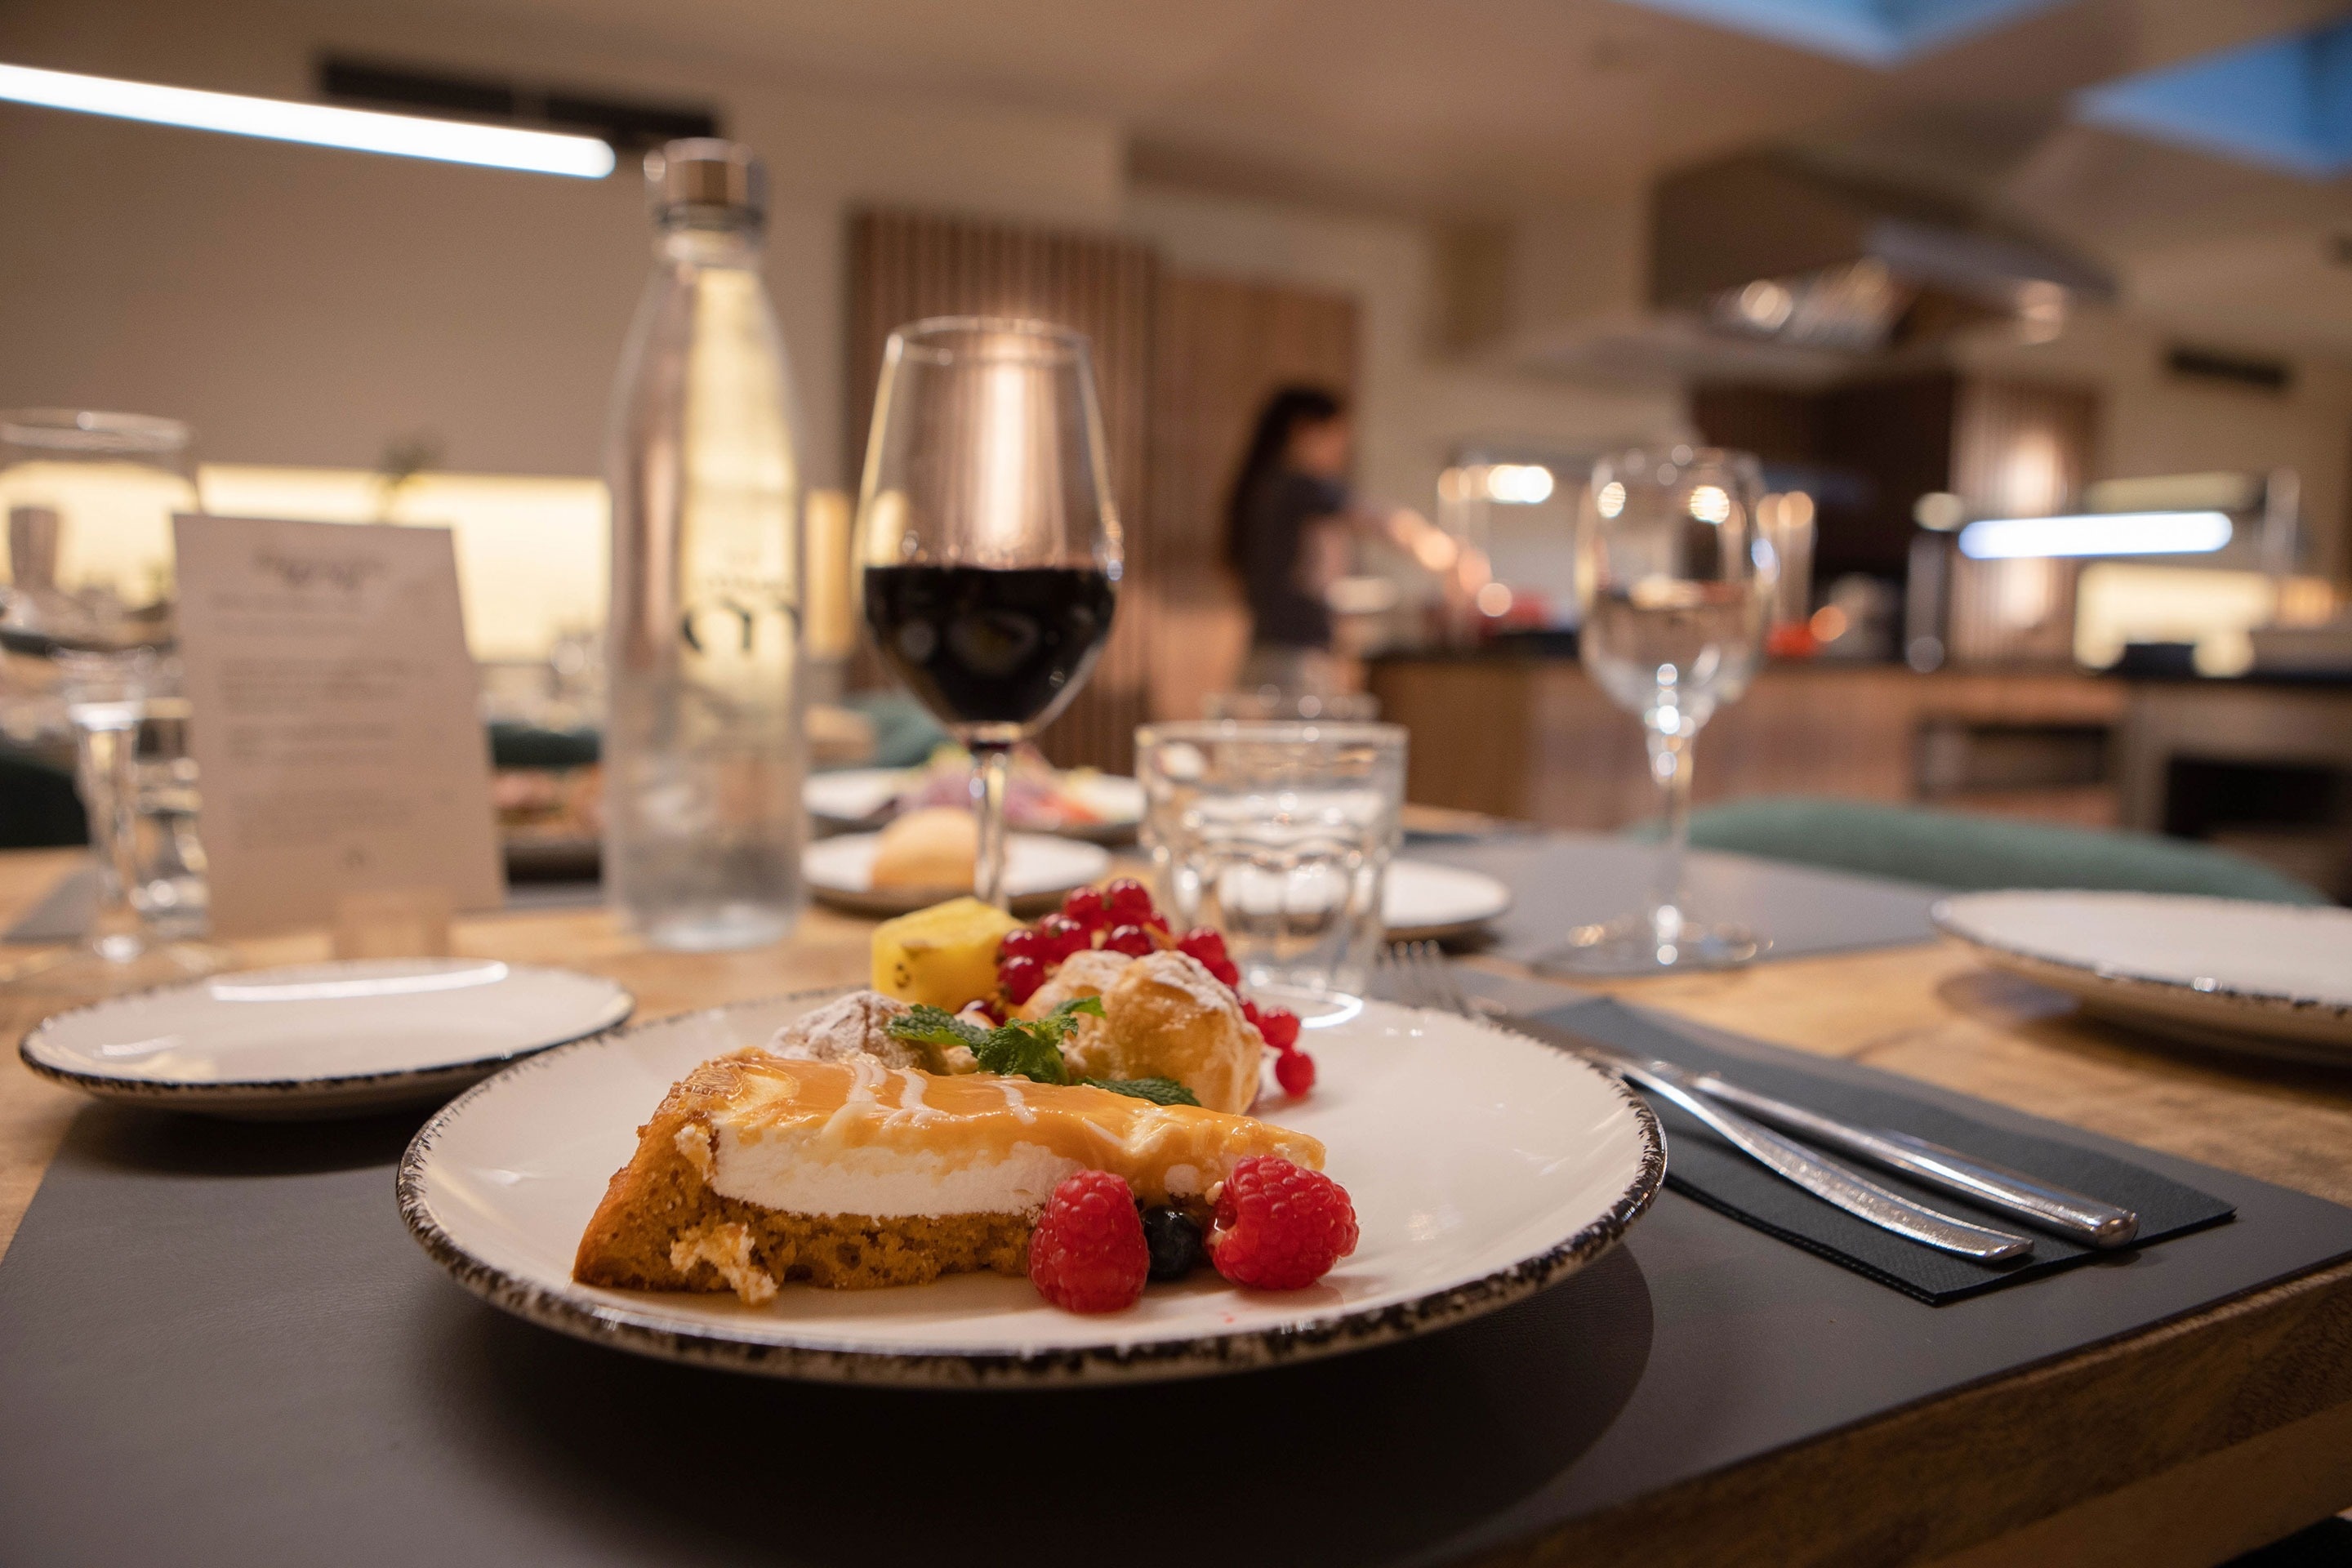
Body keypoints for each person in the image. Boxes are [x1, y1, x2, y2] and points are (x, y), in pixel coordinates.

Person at [1222, 385, 1365, 697]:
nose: (1340, 452)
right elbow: (1375, 518)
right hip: (1293, 663)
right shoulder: (1295, 486)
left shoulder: (1266, 487)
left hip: (1266, 653)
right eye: (1334, 437)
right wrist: (1437, 549)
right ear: (1304, 431)